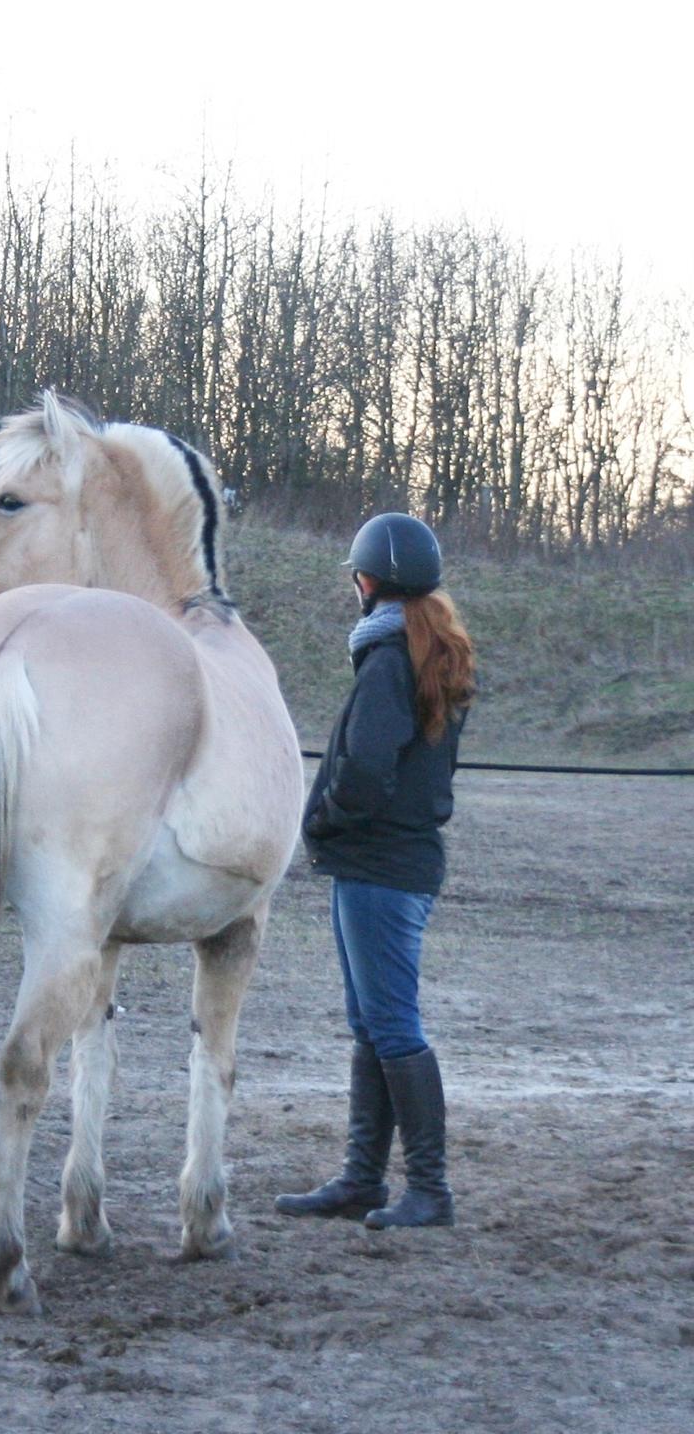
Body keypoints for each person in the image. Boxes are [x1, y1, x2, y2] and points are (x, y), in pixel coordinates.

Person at [276, 512, 475, 1229]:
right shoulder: (425, 654)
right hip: (392, 863)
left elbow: (364, 768)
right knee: (371, 1023)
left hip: (378, 866)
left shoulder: (389, 661)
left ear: (367, 582)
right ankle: (362, 1179)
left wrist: (323, 819)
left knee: (391, 1026)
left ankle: (429, 1189)